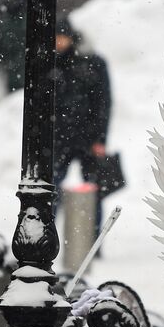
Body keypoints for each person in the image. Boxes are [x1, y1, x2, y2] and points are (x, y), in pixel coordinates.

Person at [52, 15, 112, 231]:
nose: (59, 42)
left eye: (62, 37)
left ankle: (93, 238)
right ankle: (46, 235)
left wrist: (100, 139)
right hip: (60, 137)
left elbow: (103, 103)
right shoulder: (52, 63)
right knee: (50, 189)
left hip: (86, 137)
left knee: (93, 191)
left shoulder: (92, 63)